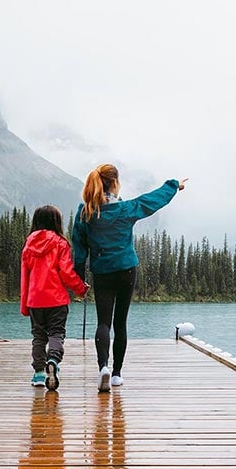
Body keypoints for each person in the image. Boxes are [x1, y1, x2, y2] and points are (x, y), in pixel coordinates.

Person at [73, 165, 186, 393]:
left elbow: (79, 246)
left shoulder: (85, 212)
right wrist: (174, 186)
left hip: (102, 271)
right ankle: (116, 375)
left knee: (103, 322)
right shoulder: (126, 209)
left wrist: (78, 277)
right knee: (120, 323)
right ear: (115, 184)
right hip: (126, 270)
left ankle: (102, 367)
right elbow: (151, 201)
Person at [20, 205, 88, 391]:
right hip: (57, 300)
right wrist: (81, 288)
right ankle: (53, 360)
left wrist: (25, 304)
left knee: (39, 337)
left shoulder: (28, 245)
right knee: (56, 333)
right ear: (56, 222)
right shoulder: (60, 243)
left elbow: (25, 276)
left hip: (35, 300)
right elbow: (66, 272)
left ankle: (39, 374)